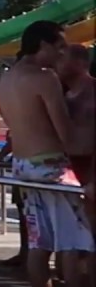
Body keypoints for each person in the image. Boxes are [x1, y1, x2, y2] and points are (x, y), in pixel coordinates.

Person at [0, 22, 94, 287]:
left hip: (24, 166)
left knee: (39, 247)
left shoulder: (8, 78)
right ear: (42, 45)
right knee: (76, 249)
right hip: (51, 166)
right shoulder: (45, 78)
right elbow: (68, 138)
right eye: (59, 46)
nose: (62, 53)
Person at [58, 43, 95, 188]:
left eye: (62, 58)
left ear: (80, 63)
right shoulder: (61, 96)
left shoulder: (92, 91)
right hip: (71, 172)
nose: (56, 62)